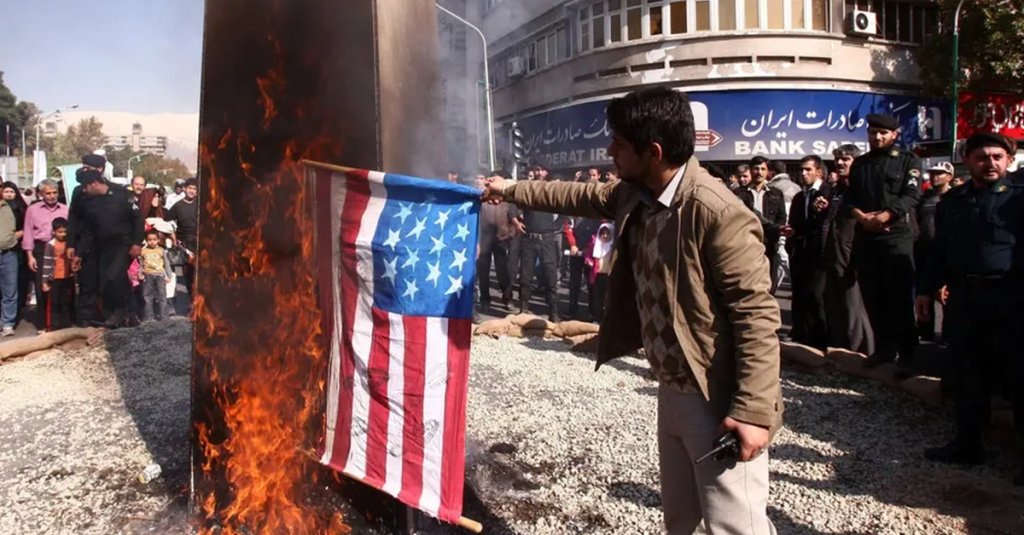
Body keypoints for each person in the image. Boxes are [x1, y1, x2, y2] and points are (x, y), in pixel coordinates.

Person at [483, 87, 781, 535]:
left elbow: (756, 315)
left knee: (735, 526)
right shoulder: (636, 193)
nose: (609, 151)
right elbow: (573, 195)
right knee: (680, 521)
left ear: (653, 151)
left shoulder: (716, 213)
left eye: (619, 144)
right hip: (671, 387)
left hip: (715, 394)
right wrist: (508, 188)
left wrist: (754, 412)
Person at [916, 133, 1023, 487]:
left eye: (997, 157)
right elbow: (939, 249)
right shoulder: (954, 201)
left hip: (1009, 297)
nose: (990, 163)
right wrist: (925, 289)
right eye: (982, 157)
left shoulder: (1019, 199)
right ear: (968, 160)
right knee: (967, 372)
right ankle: (968, 444)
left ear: (1008, 160)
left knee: (1017, 376)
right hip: (965, 297)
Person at [844, 113, 922, 378]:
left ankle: (909, 354)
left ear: (894, 135)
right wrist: (862, 217)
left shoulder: (907, 160)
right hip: (867, 235)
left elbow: (912, 195)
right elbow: (849, 199)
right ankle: (884, 349)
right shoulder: (860, 164)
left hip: (896, 236)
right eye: (872, 132)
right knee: (872, 295)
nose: (877, 137)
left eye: (883, 133)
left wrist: (885, 215)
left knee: (899, 297)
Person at [68, 168, 144, 328]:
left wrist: (137, 242)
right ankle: (114, 315)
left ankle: (124, 310)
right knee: (104, 282)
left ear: (95, 184)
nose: (84, 190)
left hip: (123, 245)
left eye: (86, 187)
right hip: (102, 247)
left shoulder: (122, 195)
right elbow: (88, 231)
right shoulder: (90, 203)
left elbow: (138, 219)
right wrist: (79, 253)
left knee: (114, 276)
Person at [823, 145, 874, 355]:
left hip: (853, 259)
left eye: (846, 159)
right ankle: (841, 353)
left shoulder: (864, 189)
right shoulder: (837, 190)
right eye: (838, 159)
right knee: (837, 309)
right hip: (834, 257)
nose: (841, 163)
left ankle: (862, 355)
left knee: (856, 311)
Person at [787, 155, 832, 350]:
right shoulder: (800, 196)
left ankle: (820, 339)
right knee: (801, 294)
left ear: (819, 172)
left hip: (820, 253)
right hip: (801, 252)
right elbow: (797, 224)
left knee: (817, 295)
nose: (803, 174)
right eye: (801, 170)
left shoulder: (827, 193)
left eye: (808, 170)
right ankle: (802, 335)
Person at [21, 179, 69, 334]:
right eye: (48, 193)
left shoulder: (65, 209)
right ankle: (43, 324)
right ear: (41, 194)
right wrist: (30, 256)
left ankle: (62, 323)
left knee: (62, 286)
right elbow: (28, 233)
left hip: (61, 249)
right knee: (43, 287)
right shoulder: (33, 210)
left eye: (54, 192)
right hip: (41, 249)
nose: (52, 196)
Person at [736, 156, 788, 294]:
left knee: (769, 282)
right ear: (751, 170)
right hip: (746, 244)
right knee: (748, 283)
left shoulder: (776, 193)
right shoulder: (739, 194)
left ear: (768, 172)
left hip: (769, 244)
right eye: (756, 168)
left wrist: (776, 232)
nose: (759, 172)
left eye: (763, 169)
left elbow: (781, 218)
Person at [915, 161, 954, 341]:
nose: (934, 176)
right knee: (924, 292)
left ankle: (948, 335)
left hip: (945, 251)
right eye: (932, 173)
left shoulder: (955, 197)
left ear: (949, 176)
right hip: (923, 250)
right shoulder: (924, 198)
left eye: (939, 173)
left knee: (946, 294)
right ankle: (925, 332)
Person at [67, 154, 108, 327]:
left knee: (107, 282)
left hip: (107, 245)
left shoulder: (113, 190)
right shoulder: (79, 191)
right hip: (84, 245)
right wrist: (71, 244)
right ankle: (84, 320)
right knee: (87, 283)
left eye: (88, 168)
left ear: (99, 170)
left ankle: (107, 317)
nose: (84, 170)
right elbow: (73, 218)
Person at [567, 168, 603, 319]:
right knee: (574, 284)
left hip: (592, 253)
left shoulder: (601, 208)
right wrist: (572, 244)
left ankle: (593, 313)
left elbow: (604, 231)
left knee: (592, 285)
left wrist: (591, 249)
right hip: (576, 251)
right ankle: (572, 312)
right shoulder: (576, 206)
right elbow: (567, 227)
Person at [475, 174, 515, 309]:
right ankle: (485, 299)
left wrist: (510, 233)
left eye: (482, 178)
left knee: (502, 270)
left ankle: (507, 298)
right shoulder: (480, 198)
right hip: (484, 238)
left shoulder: (505, 198)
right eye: (478, 178)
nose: (480, 181)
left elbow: (512, 216)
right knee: (483, 270)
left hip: (501, 238)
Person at [167, 177, 199, 315]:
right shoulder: (177, 206)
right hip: (184, 246)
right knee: (184, 278)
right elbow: (168, 223)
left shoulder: (200, 204)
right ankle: (186, 306)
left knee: (199, 277)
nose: (192, 191)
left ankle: (198, 304)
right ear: (185, 189)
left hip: (199, 244)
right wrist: (174, 238)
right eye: (190, 188)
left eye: (195, 189)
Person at [41, 218, 74, 331]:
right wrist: (45, 281)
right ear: (53, 232)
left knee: (66, 302)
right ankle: (53, 326)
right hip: (54, 278)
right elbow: (46, 263)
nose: (63, 234)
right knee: (54, 303)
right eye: (60, 232)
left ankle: (66, 324)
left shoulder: (69, 244)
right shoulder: (50, 245)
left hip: (67, 276)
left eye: (65, 232)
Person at [2, 182, 29, 319]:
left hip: (16, 249)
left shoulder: (21, 208)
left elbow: (27, 226)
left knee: (13, 284)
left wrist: (17, 235)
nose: (8, 194)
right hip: (4, 246)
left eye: (11, 192)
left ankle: (11, 317)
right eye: (6, 191)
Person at [138, 229, 173, 322]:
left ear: (158, 240)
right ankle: (148, 316)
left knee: (162, 296)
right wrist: (140, 273)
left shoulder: (161, 250)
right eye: (149, 240)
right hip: (148, 275)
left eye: (154, 239)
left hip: (160, 275)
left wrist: (169, 276)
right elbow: (141, 264)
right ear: (146, 240)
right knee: (147, 296)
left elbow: (166, 263)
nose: (152, 242)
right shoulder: (143, 251)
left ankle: (163, 316)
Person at [583, 221, 614, 321]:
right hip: (597, 275)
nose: (605, 236)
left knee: (608, 299)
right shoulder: (594, 243)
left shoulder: (614, 246)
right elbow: (587, 255)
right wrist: (589, 261)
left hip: (609, 276)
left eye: (607, 234)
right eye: (603, 234)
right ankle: (597, 318)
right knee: (597, 299)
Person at [0, 184, 20, 336]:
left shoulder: (11, 206)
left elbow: (22, 225)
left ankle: (8, 323)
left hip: (9, 253)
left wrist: (14, 238)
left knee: (10, 291)